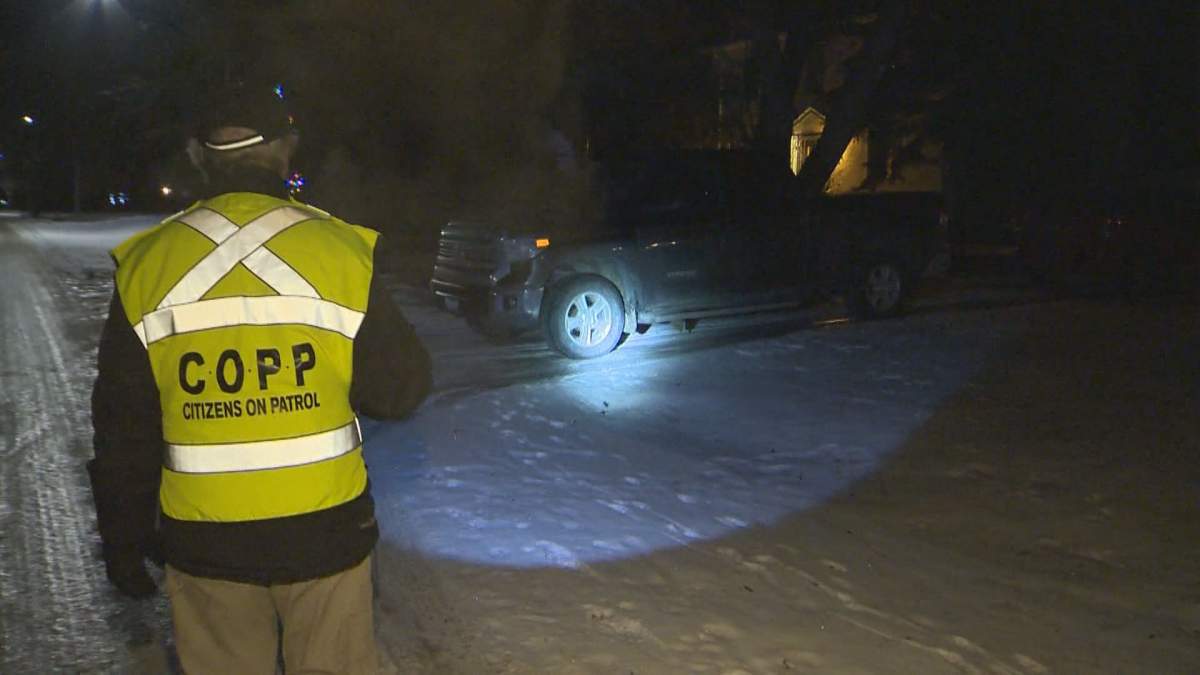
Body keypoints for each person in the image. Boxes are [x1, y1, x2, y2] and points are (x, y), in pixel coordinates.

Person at [88, 81, 431, 673]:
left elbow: (124, 426)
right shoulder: (341, 252)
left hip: (205, 548)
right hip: (326, 538)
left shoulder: (146, 266)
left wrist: (122, 537)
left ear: (198, 155)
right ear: (286, 149)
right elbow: (400, 391)